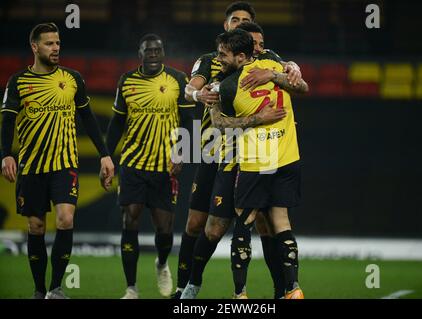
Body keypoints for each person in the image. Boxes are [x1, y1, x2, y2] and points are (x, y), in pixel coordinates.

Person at [173, 1, 303, 299]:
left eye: (246, 20)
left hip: (261, 154)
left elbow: (293, 76)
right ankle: (188, 286)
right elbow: (189, 89)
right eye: (235, 19)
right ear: (226, 24)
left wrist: (293, 68)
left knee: (266, 224)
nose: (240, 23)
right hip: (217, 151)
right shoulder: (212, 59)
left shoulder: (268, 59)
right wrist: (197, 93)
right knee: (204, 225)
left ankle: (279, 291)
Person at [0, 22, 114, 299]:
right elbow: (7, 121)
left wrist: (105, 154)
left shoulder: (73, 78)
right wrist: (6, 154)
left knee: (65, 219)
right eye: (49, 43)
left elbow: (88, 118)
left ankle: (56, 288)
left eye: (58, 43)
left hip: (65, 165)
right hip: (31, 166)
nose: (56, 48)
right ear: (34, 47)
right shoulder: (18, 82)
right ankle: (39, 290)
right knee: (35, 226)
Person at [105, 33, 196, 299]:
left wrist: (182, 152)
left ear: (163, 53)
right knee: (129, 219)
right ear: (140, 54)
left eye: (158, 50)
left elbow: (189, 120)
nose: (153, 54)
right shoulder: (127, 81)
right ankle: (131, 288)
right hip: (133, 165)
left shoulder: (178, 79)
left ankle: (161, 263)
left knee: (164, 229)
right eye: (148, 50)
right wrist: (107, 157)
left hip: (164, 167)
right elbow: (117, 124)